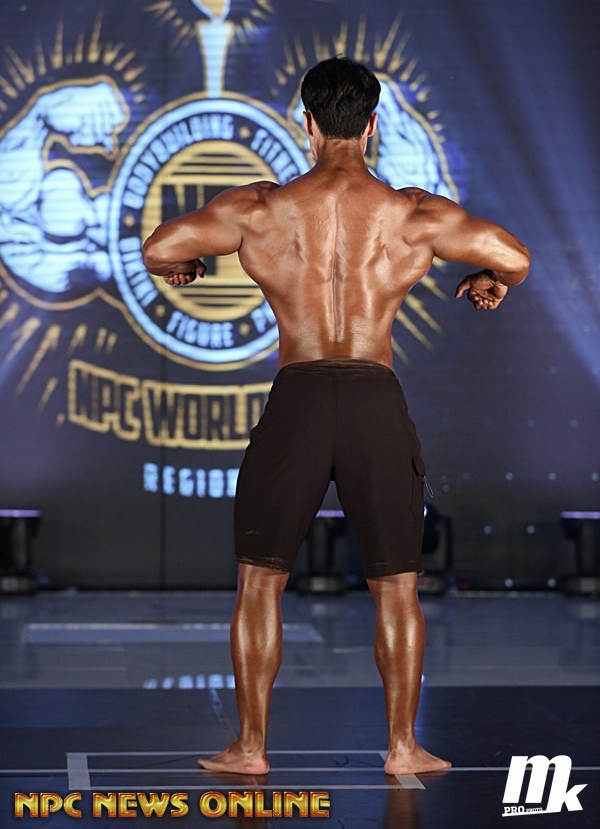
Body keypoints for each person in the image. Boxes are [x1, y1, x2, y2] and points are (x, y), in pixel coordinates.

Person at [142, 56, 530, 776]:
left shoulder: (260, 209)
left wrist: (184, 267)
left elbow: (160, 247)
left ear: (308, 123)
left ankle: (250, 750)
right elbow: (513, 255)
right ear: (373, 124)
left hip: (298, 400)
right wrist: (488, 280)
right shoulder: (414, 214)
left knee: (260, 582)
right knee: (397, 586)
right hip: (375, 402)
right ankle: (403, 747)